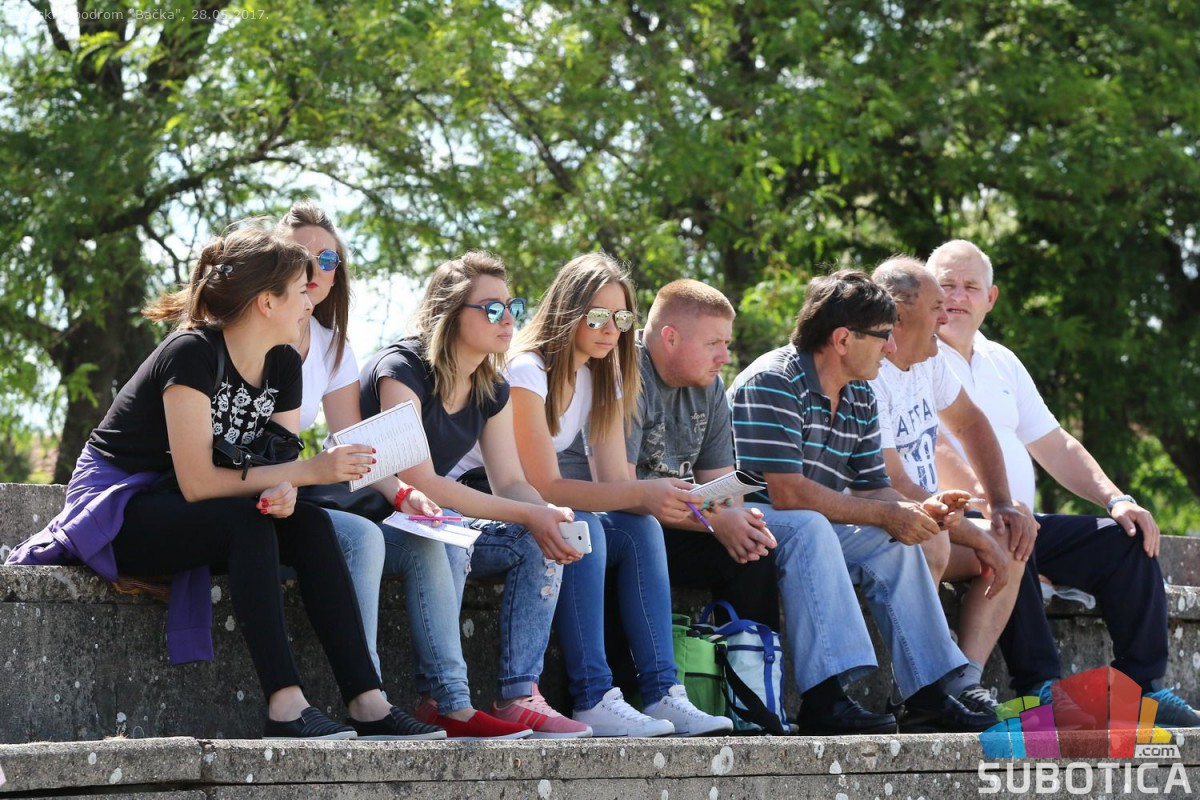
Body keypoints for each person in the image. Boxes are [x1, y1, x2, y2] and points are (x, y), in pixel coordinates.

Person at [7, 226, 444, 740]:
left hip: (194, 505)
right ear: (266, 302)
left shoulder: (284, 363)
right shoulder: (190, 353)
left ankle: (368, 701)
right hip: (120, 508)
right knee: (246, 524)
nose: (310, 302)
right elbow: (198, 482)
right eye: (300, 291)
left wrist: (285, 491)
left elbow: (277, 461)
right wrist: (309, 472)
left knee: (308, 524)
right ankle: (285, 705)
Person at [927, 239, 1200, 726]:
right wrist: (994, 502)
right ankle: (1040, 688)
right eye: (946, 284)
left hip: (1015, 518)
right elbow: (933, 445)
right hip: (955, 521)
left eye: (970, 286)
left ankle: (1140, 689)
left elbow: (1055, 445)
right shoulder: (913, 355)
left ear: (991, 298)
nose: (957, 296)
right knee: (1013, 532)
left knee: (1127, 538)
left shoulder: (1001, 360)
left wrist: (1116, 499)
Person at [728, 269, 996, 733]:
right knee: (814, 526)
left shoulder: (860, 393)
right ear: (842, 340)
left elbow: (874, 487)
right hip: (745, 519)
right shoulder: (775, 380)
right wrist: (886, 513)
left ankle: (929, 694)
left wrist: (920, 512)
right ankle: (825, 700)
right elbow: (786, 492)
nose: (890, 347)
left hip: (805, 522)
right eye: (883, 336)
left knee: (897, 542)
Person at [488, 254, 732, 736]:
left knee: (641, 527)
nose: (611, 329)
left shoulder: (605, 372)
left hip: (541, 503)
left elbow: (613, 482)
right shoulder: (527, 370)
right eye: (597, 316)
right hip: (489, 497)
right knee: (588, 525)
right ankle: (592, 697)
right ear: (568, 311)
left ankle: (664, 693)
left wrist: (665, 498)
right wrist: (645, 490)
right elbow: (543, 485)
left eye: (621, 318)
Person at [359, 250, 591, 739]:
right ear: (449, 313)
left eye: (513, 307)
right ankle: (442, 702)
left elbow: (509, 482)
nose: (508, 320)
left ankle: (518, 696)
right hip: (373, 518)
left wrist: (546, 514)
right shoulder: (401, 370)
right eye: (492, 309)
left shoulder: (491, 385)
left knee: (537, 542)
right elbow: (420, 481)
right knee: (454, 540)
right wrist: (529, 514)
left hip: (429, 519)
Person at [276, 200, 439, 691]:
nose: (315, 270)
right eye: (301, 257)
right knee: (361, 537)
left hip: (289, 490)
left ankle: (414, 698)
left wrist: (403, 492)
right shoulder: (257, 331)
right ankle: (367, 693)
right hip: (253, 489)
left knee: (406, 538)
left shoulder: (333, 346)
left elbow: (352, 444)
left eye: (327, 260)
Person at [867, 256, 1035, 715]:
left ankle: (965, 680)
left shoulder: (929, 359)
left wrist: (1001, 504)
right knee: (933, 538)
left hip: (930, 516)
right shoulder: (870, 373)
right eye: (936, 306)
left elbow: (971, 423)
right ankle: (920, 690)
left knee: (1012, 538)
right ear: (898, 316)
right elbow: (894, 485)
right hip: (880, 519)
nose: (945, 318)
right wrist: (977, 537)